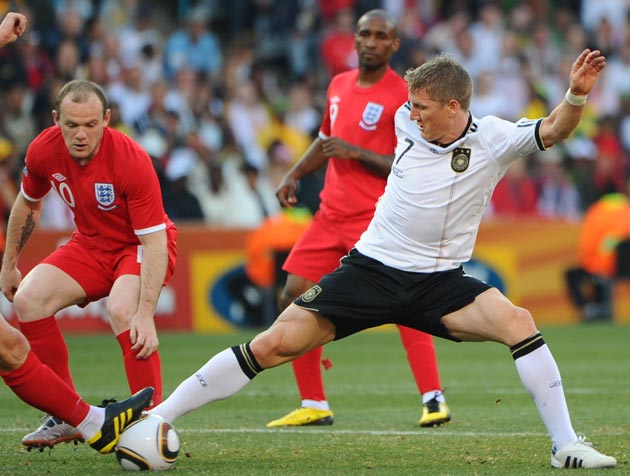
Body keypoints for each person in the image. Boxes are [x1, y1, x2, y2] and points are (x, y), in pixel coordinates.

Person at [148, 48, 617, 469]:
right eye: (411, 104)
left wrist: (575, 96)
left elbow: (554, 129)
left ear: (455, 107)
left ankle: (565, 445)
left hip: (440, 283)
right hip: (371, 270)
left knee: (519, 322)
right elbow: (346, 132)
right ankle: (157, 417)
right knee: (272, 345)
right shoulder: (402, 121)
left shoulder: (495, 138)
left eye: (423, 107)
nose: (411, 115)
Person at [268, 9, 450, 428]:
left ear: (394, 45)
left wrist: (357, 153)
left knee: (407, 303)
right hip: (329, 215)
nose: (371, 42)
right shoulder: (338, 85)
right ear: (355, 39)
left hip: (375, 218)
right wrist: (294, 172)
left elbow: (409, 161)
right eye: (364, 34)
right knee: (292, 294)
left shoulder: (401, 98)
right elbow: (325, 141)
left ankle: (433, 398)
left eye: (381, 35)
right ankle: (313, 403)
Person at [0, 11, 155, 455]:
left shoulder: (131, 158)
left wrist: (146, 309)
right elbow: (28, 203)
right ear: (55, 120)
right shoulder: (44, 149)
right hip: (90, 245)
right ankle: (70, 415)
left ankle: (151, 418)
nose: (81, 135)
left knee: (124, 312)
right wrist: (10, 264)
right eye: (71, 125)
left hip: (136, 245)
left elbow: (154, 236)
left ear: (107, 119)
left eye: (91, 125)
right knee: (26, 303)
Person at [565, 187, 630, 321]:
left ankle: (588, 309)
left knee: (573, 275)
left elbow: (588, 245)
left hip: (600, 265)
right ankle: (596, 309)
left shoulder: (596, 212)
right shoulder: (625, 211)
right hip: (613, 267)